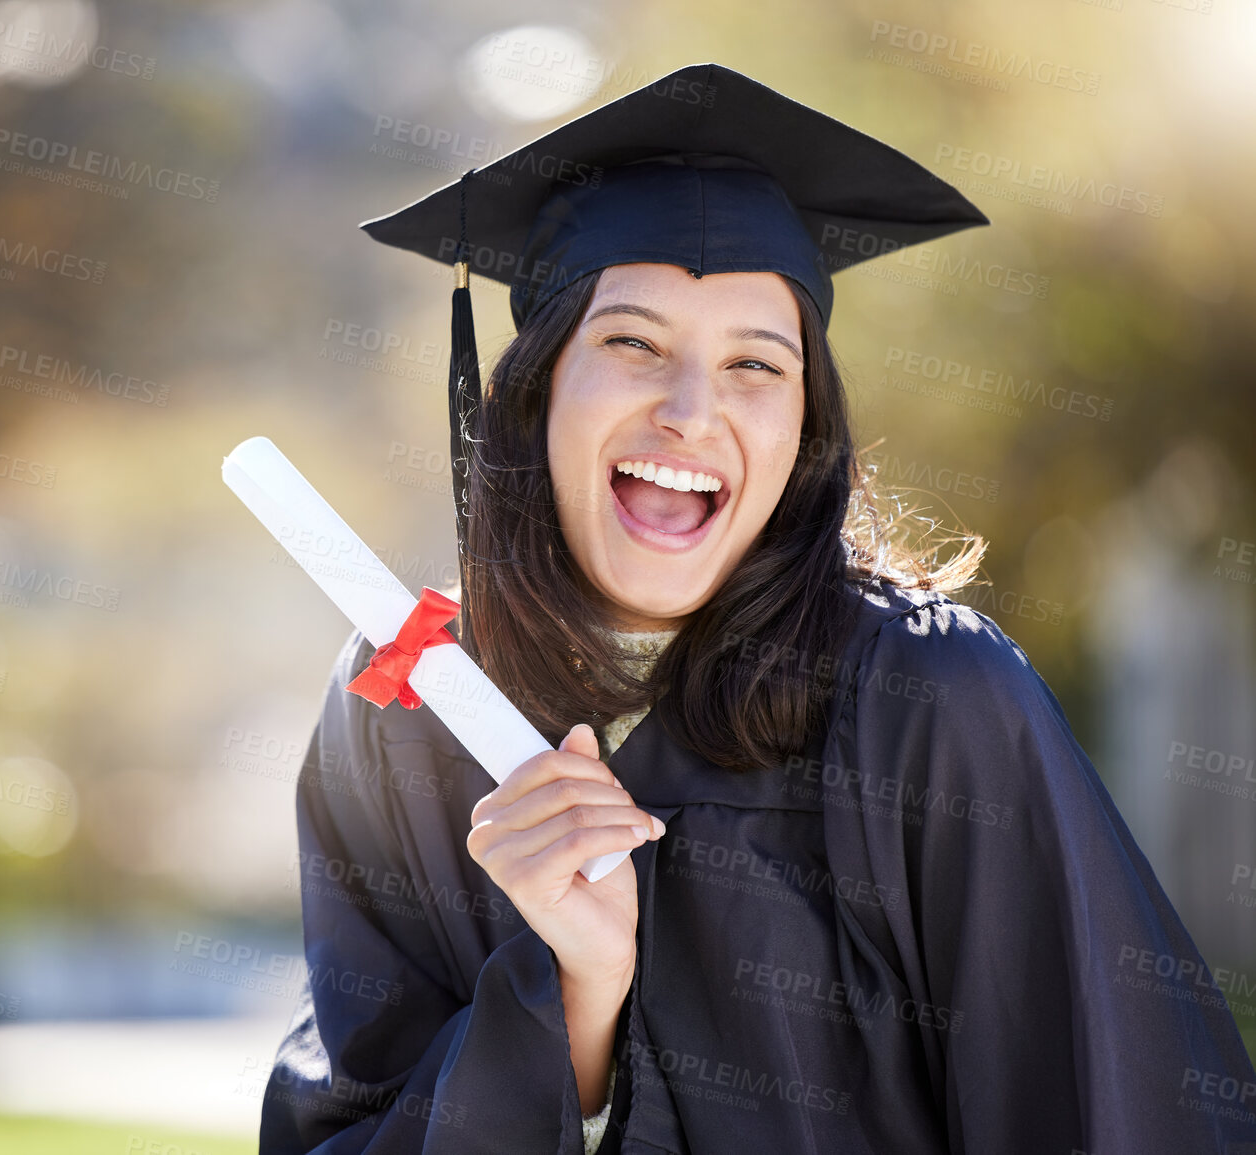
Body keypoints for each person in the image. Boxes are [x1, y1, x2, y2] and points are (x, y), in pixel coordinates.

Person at [258, 63, 1256, 1154]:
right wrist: (572, 1010)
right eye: (631, 342)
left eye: (756, 364)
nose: (692, 411)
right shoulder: (409, 704)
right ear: (534, 389)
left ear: (805, 425)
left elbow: (1114, 1112)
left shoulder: (928, 700)